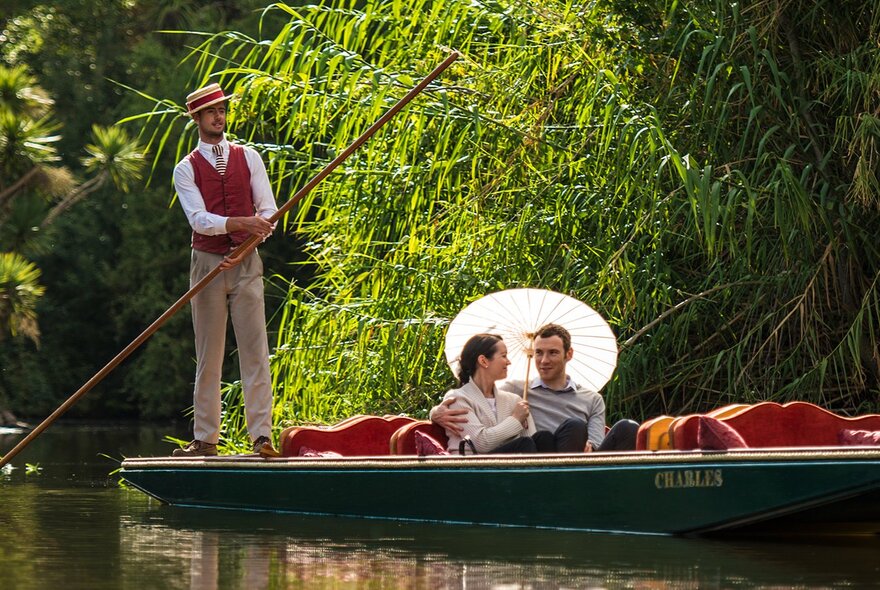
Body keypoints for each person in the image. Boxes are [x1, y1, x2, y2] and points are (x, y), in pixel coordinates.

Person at [171, 82, 279, 457]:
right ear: (197, 119)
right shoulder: (186, 169)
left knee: (255, 351)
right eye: (211, 112)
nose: (219, 117)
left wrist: (249, 240)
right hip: (207, 264)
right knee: (210, 354)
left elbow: (268, 213)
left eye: (222, 110)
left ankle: (261, 437)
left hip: (248, 262)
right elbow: (199, 220)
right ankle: (206, 440)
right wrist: (238, 225)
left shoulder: (248, 157)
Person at [432, 323, 638, 452]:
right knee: (550, 436)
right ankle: (565, 487)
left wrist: (591, 446)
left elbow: (595, 440)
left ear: (569, 354)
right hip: (541, 455)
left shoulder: (591, 399)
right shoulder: (517, 391)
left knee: (626, 427)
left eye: (553, 353)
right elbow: (472, 399)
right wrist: (435, 413)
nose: (543, 360)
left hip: (581, 456)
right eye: (538, 352)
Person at [441, 333, 545, 454]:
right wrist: (516, 419)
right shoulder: (458, 398)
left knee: (543, 437)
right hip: (473, 467)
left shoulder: (514, 400)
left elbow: (533, 443)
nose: (508, 362)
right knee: (524, 443)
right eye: (504, 356)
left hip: (507, 464)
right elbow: (480, 443)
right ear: (483, 361)